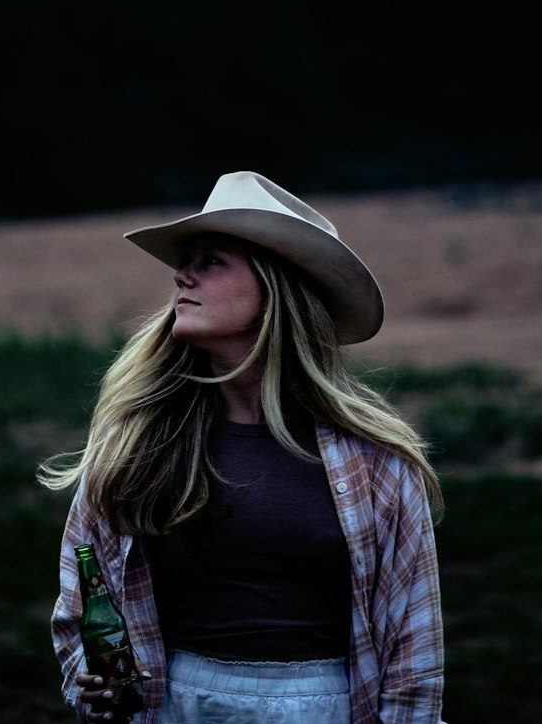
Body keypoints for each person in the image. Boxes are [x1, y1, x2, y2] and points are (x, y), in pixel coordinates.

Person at [41, 170, 444, 724]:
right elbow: (80, 596)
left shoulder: (375, 459)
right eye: (189, 261)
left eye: (211, 261)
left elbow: (412, 651)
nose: (181, 275)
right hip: (175, 706)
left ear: (275, 289)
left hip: (323, 709)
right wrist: (91, 684)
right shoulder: (137, 441)